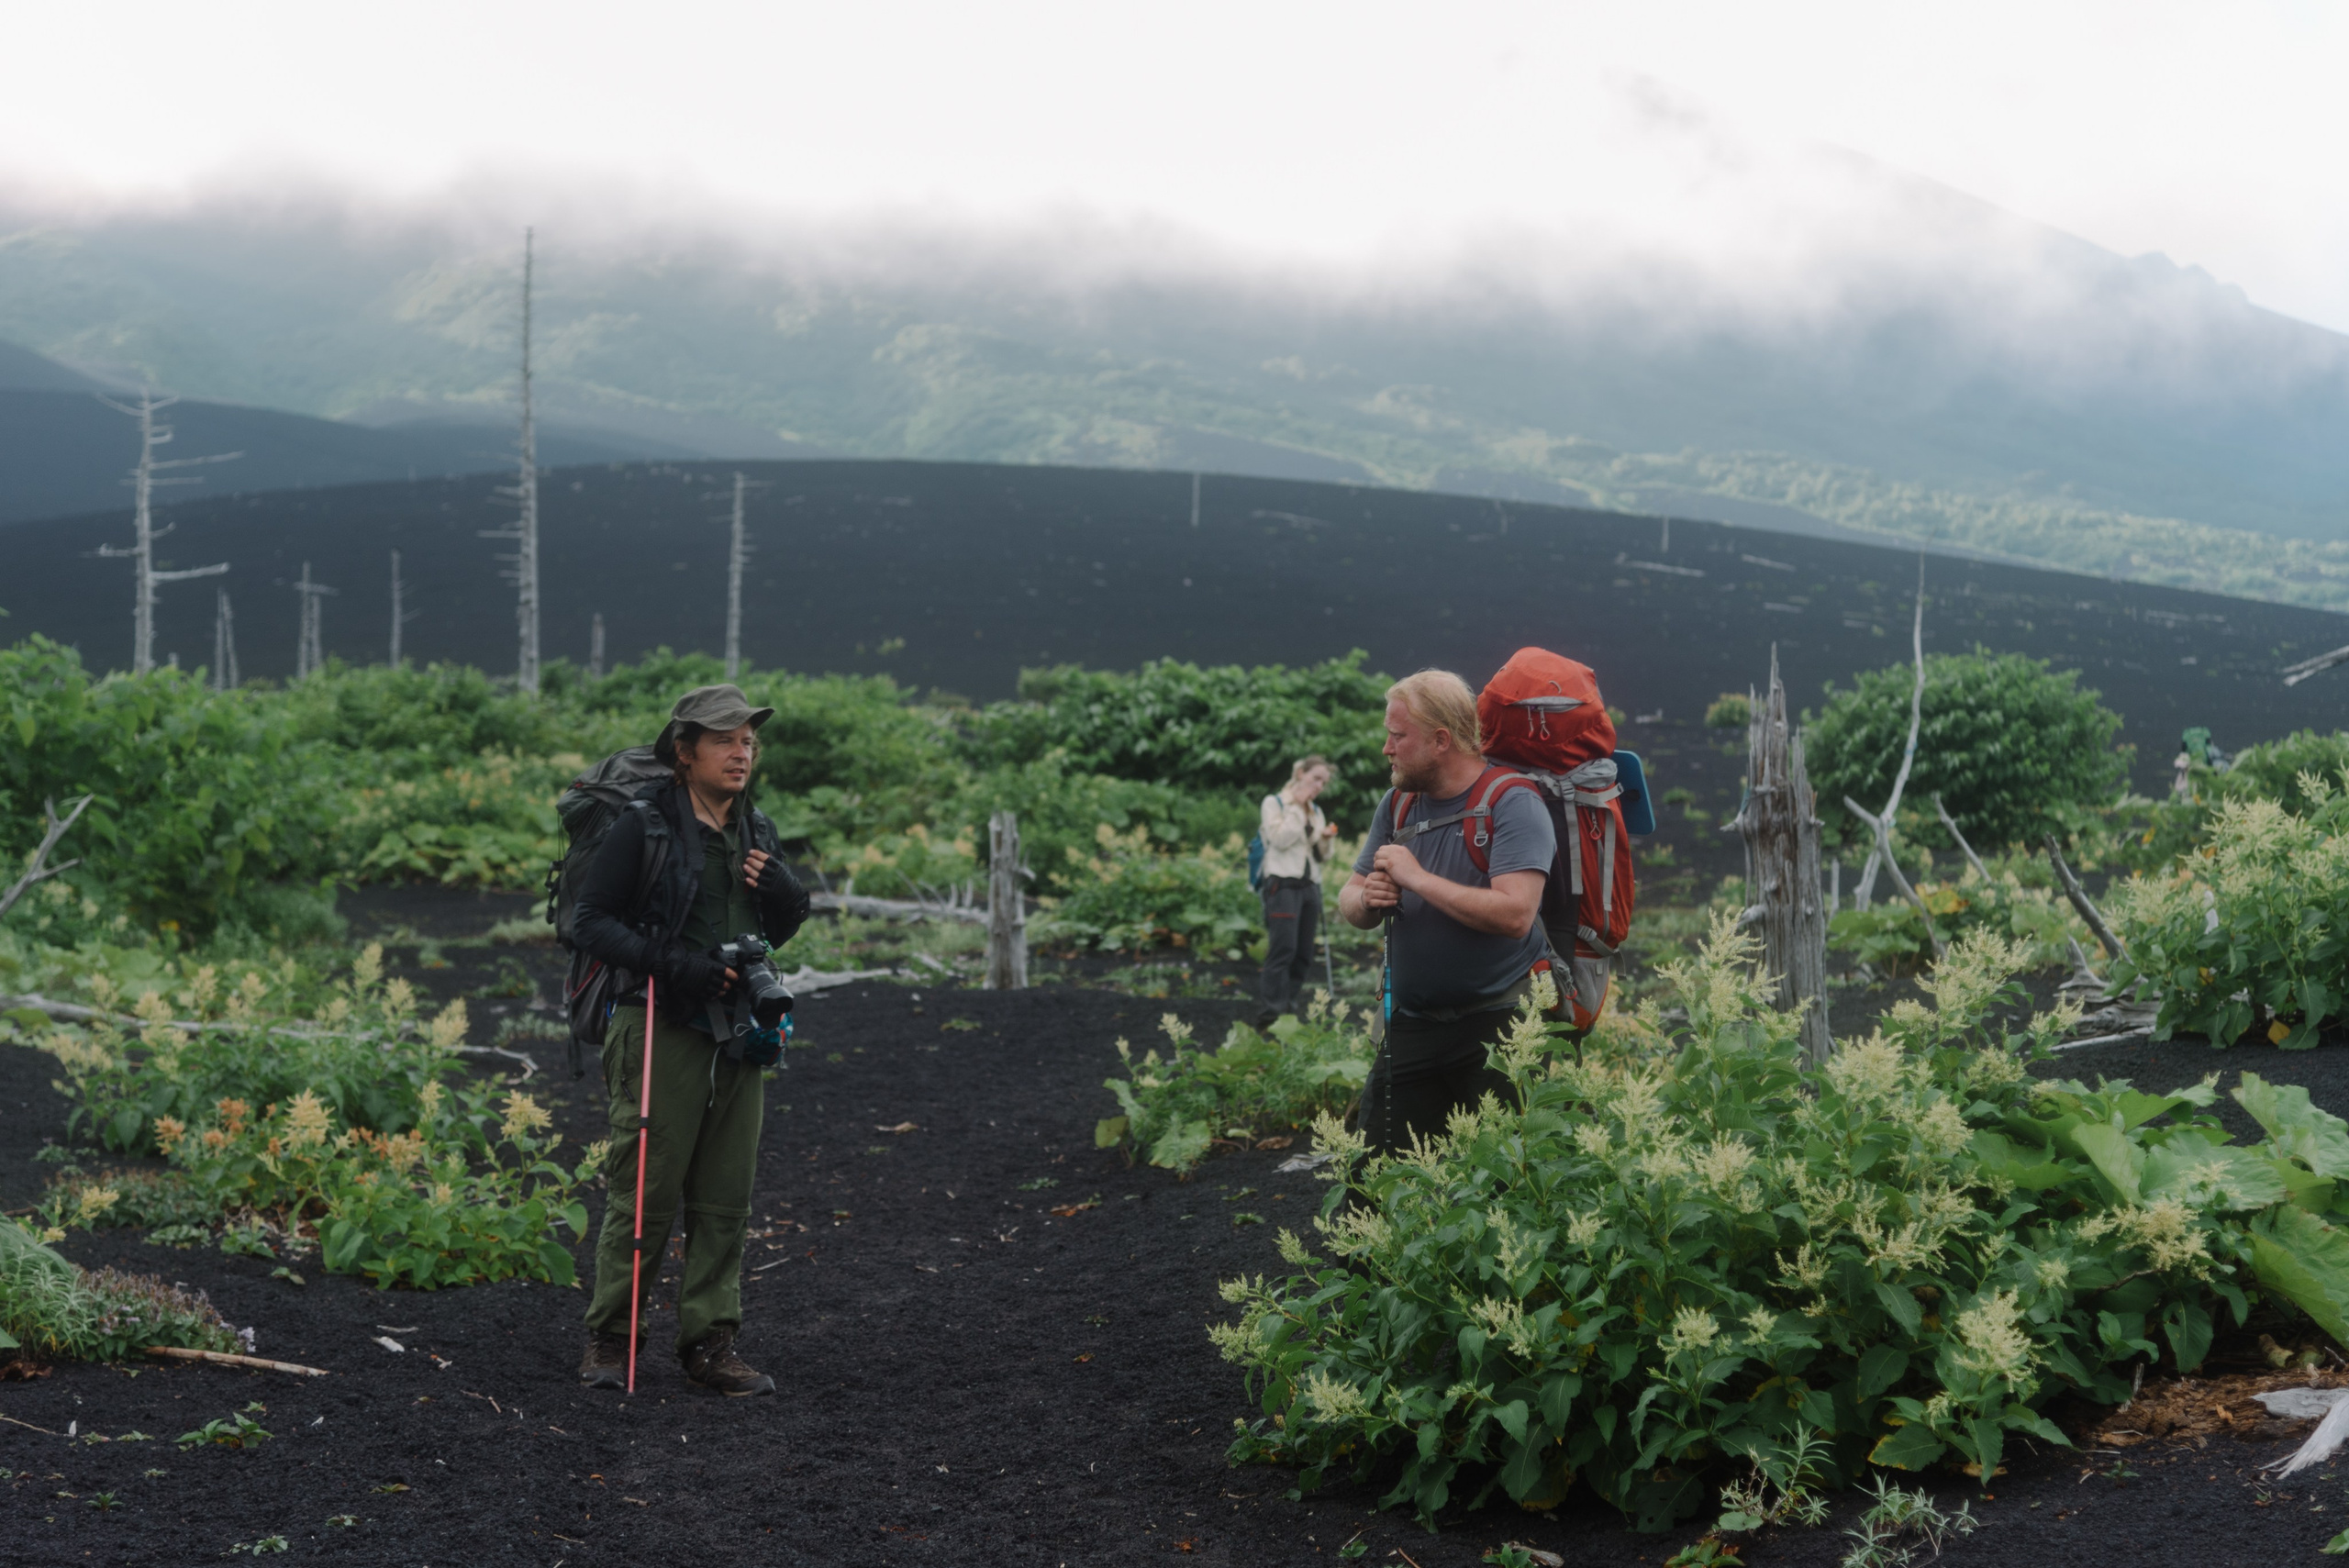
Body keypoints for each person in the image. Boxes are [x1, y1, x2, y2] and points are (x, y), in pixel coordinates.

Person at [570, 684, 812, 1396]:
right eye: (725, 740)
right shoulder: (643, 827)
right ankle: (612, 1341)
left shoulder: (756, 828)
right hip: (656, 1020)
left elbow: (776, 928)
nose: (742, 753)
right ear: (685, 751)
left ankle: (711, 1343)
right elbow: (591, 921)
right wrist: (679, 964)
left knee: (725, 1193)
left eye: (748, 741)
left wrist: (788, 893)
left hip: (740, 1027)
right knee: (645, 1189)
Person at [1336, 670, 1553, 1156]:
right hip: (1412, 1024)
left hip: (1501, 1025)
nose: (1386, 749)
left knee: (1505, 1181)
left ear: (1440, 740)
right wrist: (1367, 899)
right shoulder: (1397, 805)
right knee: (1373, 1180)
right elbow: (1348, 898)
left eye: (1397, 736)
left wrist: (1416, 878)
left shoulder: (1512, 802)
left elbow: (1516, 914)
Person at [1256, 755, 1339, 1027]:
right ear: (1300, 773)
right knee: (1283, 950)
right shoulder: (1275, 803)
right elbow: (1279, 840)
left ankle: (1288, 1010)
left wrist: (1325, 839)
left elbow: (1322, 856)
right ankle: (1271, 1015)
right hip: (1282, 885)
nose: (1319, 786)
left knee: (1304, 953)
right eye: (1316, 779)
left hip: (1309, 886)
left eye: (1323, 782)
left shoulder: (1315, 810)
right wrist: (1297, 807)